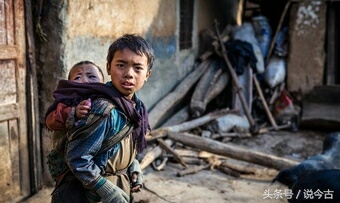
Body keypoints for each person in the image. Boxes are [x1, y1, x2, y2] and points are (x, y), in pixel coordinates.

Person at [47, 34, 154, 203]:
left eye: (138, 68)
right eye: (121, 65)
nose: (129, 74)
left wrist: (132, 166)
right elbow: (78, 159)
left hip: (119, 184)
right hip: (92, 192)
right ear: (109, 68)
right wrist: (107, 190)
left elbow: (118, 143)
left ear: (147, 74)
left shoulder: (135, 107)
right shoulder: (103, 109)